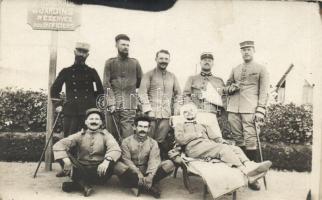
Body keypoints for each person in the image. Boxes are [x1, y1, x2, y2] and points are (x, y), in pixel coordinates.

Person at [168, 103, 272, 189]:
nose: (188, 113)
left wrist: (224, 142)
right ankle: (246, 172)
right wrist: (196, 135)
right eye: (185, 112)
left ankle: (249, 165)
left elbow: (216, 138)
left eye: (191, 110)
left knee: (235, 148)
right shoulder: (179, 125)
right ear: (183, 115)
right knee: (222, 149)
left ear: (195, 112)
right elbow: (180, 139)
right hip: (193, 148)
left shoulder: (203, 125)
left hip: (209, 146)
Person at [51, 42, 104, 177]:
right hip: (71, 111)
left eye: (84, 52)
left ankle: (86, 170)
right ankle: (67, 168)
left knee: (89, 140)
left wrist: (96, 106)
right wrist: (58, 105)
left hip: (89, 112)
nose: (81, 54)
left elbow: (100, 91)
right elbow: (55, 89)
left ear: (88, 55)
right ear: (74, 52)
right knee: (69, 140)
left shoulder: (92, 71)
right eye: (79, 51)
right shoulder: (66, 71)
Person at [224, 41, 269, 190]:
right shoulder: (235, 68)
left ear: (254, 50)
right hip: (233, 110)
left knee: (251, 140)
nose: (246, 52)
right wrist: (231, 88)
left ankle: (253, 177)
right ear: (241, 52)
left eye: (248, 49)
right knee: (238, 140)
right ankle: (242, 172)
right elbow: (226, 86)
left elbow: (264, 91)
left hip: (250, 109)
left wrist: (260, 109)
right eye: (243, 50)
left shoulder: (261, 68)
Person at [53, 108, 122, 197]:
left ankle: (78, 184)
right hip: (82, 170)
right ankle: (85, 186)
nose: (94, 121)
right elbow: (58, 145)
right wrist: (66, 160)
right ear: (86, 122)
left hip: (100, 172)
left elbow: (115, 148)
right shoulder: (80, 135)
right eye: (91, 119)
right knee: (64, 155)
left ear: (101, 123)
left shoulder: (106, 135)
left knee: (114, 159)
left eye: (97, 119)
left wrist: (106, 161)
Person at [138, 49, 182, 159]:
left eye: (166, 59)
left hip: (166, 116)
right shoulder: (148, 75)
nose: (163, 61)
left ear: (169, 60)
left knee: (159, 141)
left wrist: (176, 112)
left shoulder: (172, 76)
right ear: (156, 59)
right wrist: (148, 110)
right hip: (151, 116)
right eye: (161, 58)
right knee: (147, 139)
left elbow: (178, 95)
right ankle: (142, 163)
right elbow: (142, 93)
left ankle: (154, 164)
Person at [118, 115, 175, 198]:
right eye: (140, 126)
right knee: (119, 166)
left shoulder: (153, 143)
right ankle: (148, 188)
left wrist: (150, 176)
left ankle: (138, 185)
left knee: (169, 164)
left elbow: (154, 160)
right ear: (134, 127)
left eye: (145, 127)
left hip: (146, 170)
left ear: (148, 129)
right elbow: (126, 160)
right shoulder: (126, 142)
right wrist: (137, 173)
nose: (142, 129)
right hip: (131, 172)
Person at [103, 34, 143, 139]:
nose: (125, 47)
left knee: (128, 131)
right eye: (123, 44)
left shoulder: (134, 63)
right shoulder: (110, 62)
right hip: (113, 102)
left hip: (129, 102)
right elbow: (106, 84)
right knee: (112, 132)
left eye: (127, 45)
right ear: (116, 45)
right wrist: (111, 102)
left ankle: (126, 154)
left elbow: (140, 82)